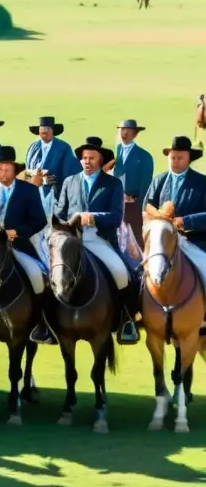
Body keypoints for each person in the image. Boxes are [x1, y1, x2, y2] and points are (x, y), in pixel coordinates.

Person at [54, 136, 139, 344]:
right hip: (72, 240)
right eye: (84, 158)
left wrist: (92, 217)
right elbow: (59, 213)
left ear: (101, 160)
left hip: (100, 239)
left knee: (124, 274)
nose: (87, 162)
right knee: (52, 272)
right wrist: (68, 223)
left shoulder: (113, 184)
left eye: (91, 158)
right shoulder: (69, 182)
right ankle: (45, 324)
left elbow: (116, 217)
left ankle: (127, 321)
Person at [0, 145, 52, 339]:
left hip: (19, 245)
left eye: (7, 169)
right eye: (0, 169)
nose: (3, 173)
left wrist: (18, 232)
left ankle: (42, 323)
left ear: (14, 170)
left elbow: (39, 221)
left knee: (40, 276)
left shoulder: (29, 190)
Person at [142, 136, 206, 281]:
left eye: (180, 158)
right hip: (160, 241)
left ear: (189, 159)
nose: (175, 161)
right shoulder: (159, 180)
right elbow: (146, 207)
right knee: (141, 275)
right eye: (172, 158)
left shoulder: (203, 183)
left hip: (192, 241)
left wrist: (186, 221)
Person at [25, 116, 81, 215]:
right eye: (42, 131)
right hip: (34, 192)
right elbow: (27, 169)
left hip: (53, 193)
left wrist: (50, 179)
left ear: (53, 131)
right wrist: (34, 175)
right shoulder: (33, 147)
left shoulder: (63, 147)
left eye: (47, 131)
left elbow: (70, 172)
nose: (44, 134)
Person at [113, 119, 154, 245]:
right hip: (117, 202)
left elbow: (146, 184)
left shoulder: (144, 156)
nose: (124, 133)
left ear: (135, 134)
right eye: (122, 129)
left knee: (135, 236)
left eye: (128, 130)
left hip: (134, 203)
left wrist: (140, 206)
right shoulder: (117, 151)